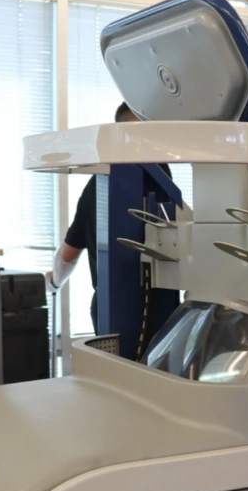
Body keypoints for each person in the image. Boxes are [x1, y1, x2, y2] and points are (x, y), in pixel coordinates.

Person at [45, 102, 172, 332]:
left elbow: (68, 255)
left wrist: (53, 282)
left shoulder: (107, 182)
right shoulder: (106, 183)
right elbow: (69, 253)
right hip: (122, 307)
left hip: (153, 307)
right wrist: (53, 282)